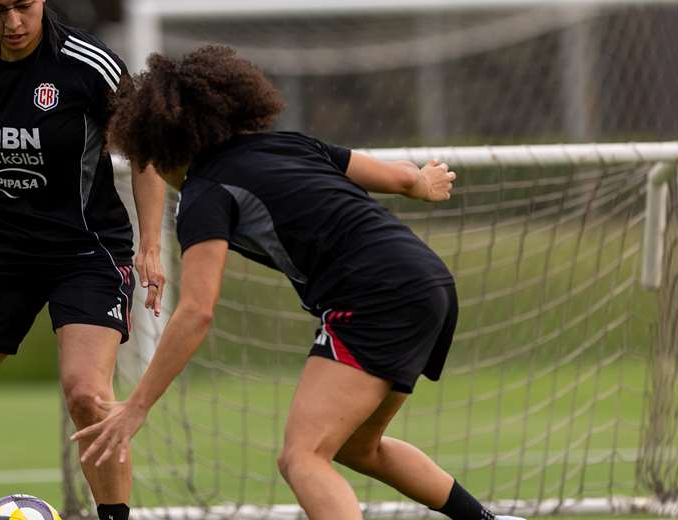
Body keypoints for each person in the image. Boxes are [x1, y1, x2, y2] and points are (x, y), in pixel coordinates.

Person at [71, 46, 525, 520]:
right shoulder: (288, 143)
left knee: (302, 456)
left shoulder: (205, 193)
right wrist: (423, 183)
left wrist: (137, 405)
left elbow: (198, 311)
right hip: (427, 281)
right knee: (356, 446)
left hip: (371, 297)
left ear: (159, 146)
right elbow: (398, 178)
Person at [0, 1, 167, 519]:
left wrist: (151, 245)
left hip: (86, 253)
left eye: (24, 6)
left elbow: (145, 153)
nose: (14, 23)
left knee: (88, 396)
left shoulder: (90, 65)